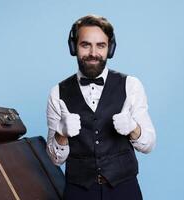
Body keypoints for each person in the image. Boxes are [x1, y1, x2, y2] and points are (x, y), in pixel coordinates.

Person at [46, 14, 156, 200]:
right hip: (78, 192)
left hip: (124, 188)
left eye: (101, 45)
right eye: (85, 44)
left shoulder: (131, 85)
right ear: (74, 47)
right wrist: (61, 134)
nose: (93, 53)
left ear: (110, 48)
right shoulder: (57, 92)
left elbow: (149, 144)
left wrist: (133, 128)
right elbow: (55, 159)